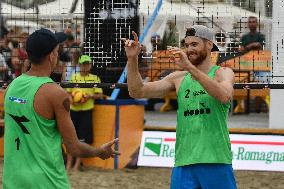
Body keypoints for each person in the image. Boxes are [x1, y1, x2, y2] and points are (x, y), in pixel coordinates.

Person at [123, 25, 237, 189]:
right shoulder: (178, 77)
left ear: (209, 44)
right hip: (184, 160)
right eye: (187, 45)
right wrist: (132, 59)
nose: (189, 49)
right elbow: (137, 91)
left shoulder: (223, 72)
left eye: (194, 44)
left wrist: (190, 68)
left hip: (215, 159)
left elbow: (224, 96)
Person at [3, 28, 119, 188]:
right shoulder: (56, 94)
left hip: (13, 180)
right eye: (57, 51)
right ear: (52, 56)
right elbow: (74, 147)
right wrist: (99, 151)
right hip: (47, 181)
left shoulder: (11, 87)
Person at [66, 54, 103, 171]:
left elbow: (100, 94)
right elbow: (68, 93)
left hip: (86, 111)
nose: (85, 66)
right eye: (83, 64)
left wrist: (89, 96)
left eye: (87, 64)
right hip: (74, 110)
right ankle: (68, 164)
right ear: (79, 65)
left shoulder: (95, 78)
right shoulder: (74, 77)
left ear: (90, 65)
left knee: (82, 140)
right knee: (71, 139)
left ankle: (77, 165)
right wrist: (72, 100)